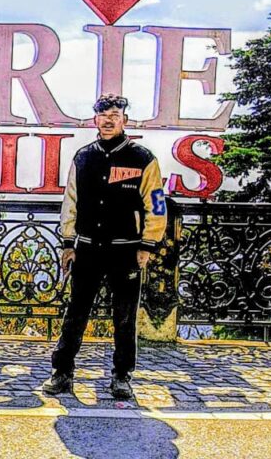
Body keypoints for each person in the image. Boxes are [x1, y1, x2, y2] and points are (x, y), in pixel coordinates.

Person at [42, 93, 167, 401]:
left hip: (126, 250)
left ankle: (122, 376)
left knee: (124, 318)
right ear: (95, 120)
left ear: (125, 120)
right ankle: (62, 372)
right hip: (87, 248)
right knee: (75, 314)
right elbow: (70, 201)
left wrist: (148, 244)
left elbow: (156, 205)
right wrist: (68, 242)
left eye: (115, 116)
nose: (109, 121)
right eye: (103, 116)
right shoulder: (83, 157)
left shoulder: (143, 158)